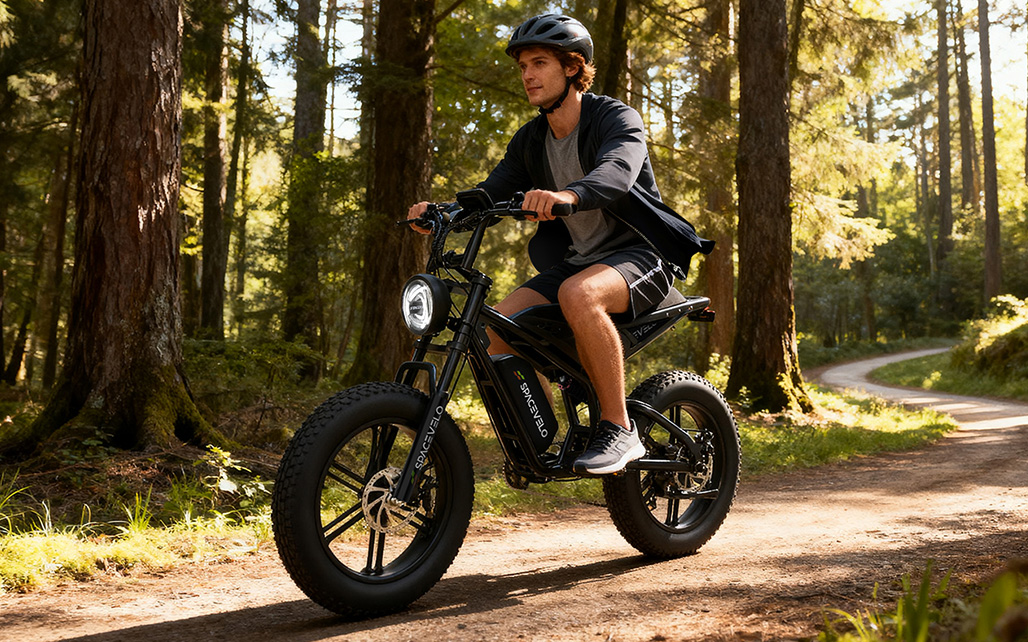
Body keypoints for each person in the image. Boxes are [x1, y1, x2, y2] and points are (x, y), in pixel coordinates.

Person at [408, 13, 714, 474]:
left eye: (539, 63)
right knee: (495, 328)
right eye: (523, 66)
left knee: (579, 294)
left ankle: (620, 428)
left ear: (572, 67)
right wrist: (446, 213)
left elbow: (617, 171)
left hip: (642, 256)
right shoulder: (531, 139)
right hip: (580, 261)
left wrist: (569, 195)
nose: (528, 74)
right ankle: (544, 440)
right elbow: (492, 191)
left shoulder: (614, 118)